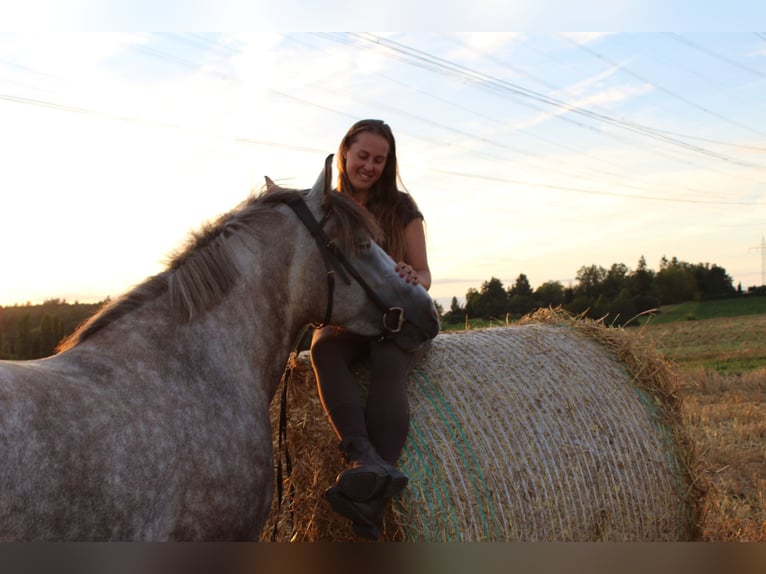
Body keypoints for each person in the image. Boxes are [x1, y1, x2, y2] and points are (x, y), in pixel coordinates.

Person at [310, 119, 432, 540]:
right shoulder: (326, 206)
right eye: (363, 155)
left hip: (399, 317)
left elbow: (425, 273)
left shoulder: (401, 208)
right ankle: (362, 459)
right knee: (323, 350)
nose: (370, 166)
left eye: (380, 160)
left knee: (386, 358)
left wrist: (410, 276)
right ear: (345, 151)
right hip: (350, 319)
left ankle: (372, 501)